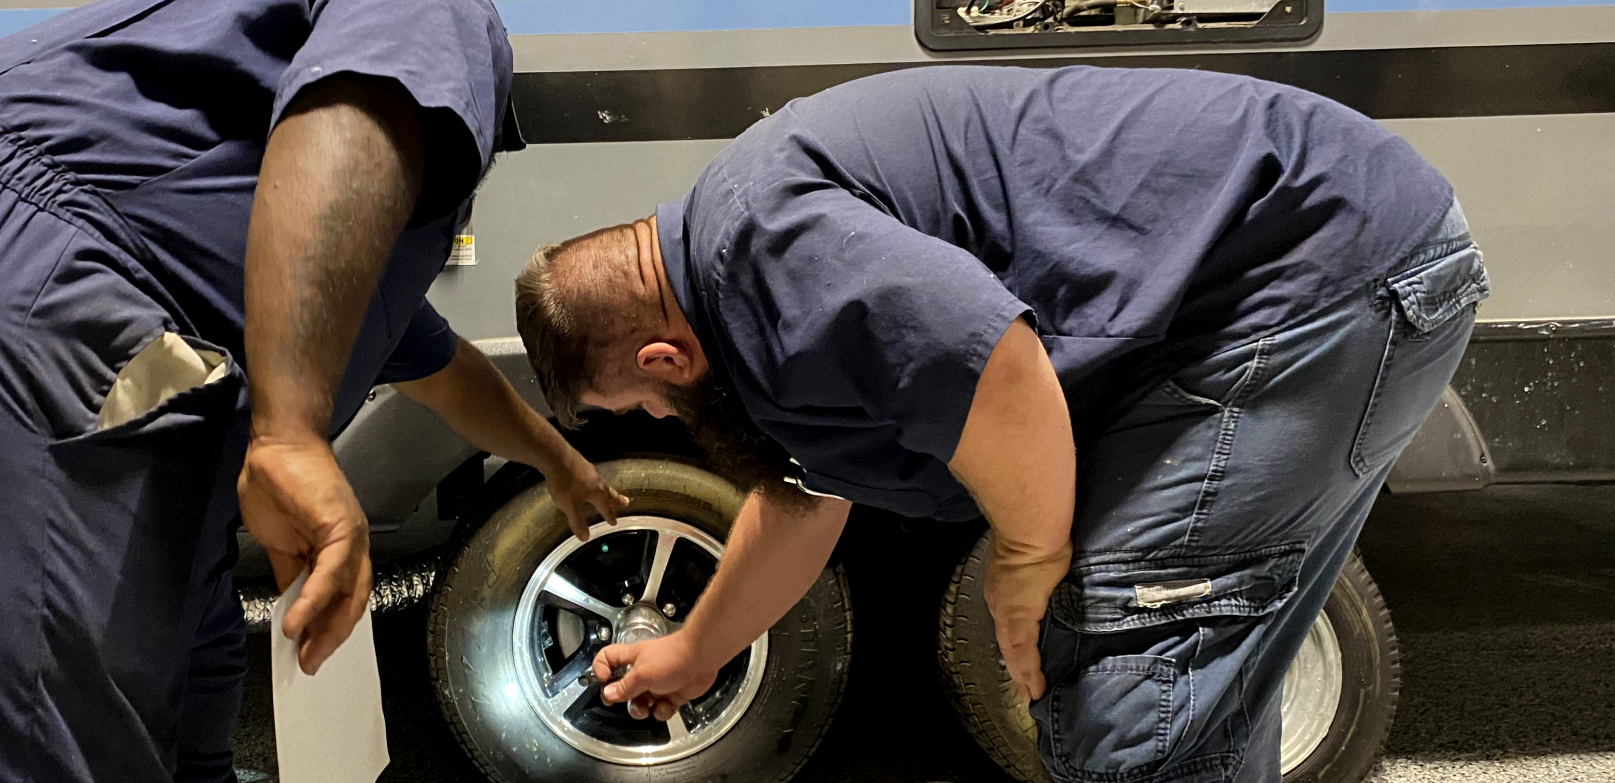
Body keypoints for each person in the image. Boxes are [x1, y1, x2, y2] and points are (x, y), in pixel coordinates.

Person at [0, 0, 627, 780]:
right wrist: (290, 430)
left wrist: (559, 464)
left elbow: (440, 366)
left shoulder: (300, 271)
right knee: (16, 741)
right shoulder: (439, 7)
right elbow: (360, 100)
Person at [513, 66, 1489, 782]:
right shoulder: (738, 287)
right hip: (1300, 279)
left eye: (637, 404)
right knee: (1166, 691)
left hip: (1313, 273)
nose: (657, 417)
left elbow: (995, 359)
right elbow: (805, 492)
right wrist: (696, 647)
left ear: (658, 357)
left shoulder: (764, 249)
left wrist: (1028, 553)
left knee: (1132, 664)